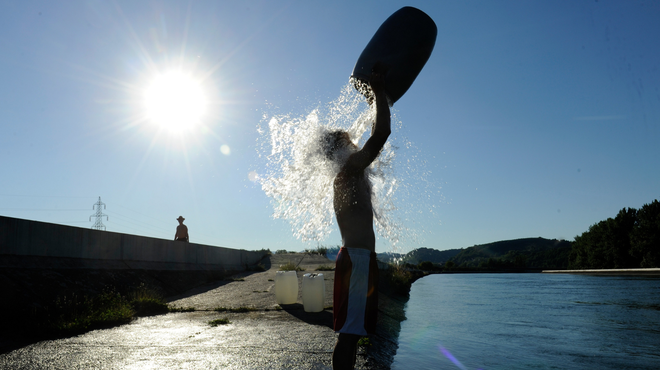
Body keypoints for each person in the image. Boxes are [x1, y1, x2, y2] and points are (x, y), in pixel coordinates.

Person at [322, 65, 391, 370]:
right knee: (348, 336)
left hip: (359, 258)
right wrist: (379, 92)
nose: (354, 144)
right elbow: (380, 136)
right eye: (348, 141)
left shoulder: (349, 175)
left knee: (352, 334)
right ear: (340, 150)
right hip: (357, 260)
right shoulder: (348, 171)